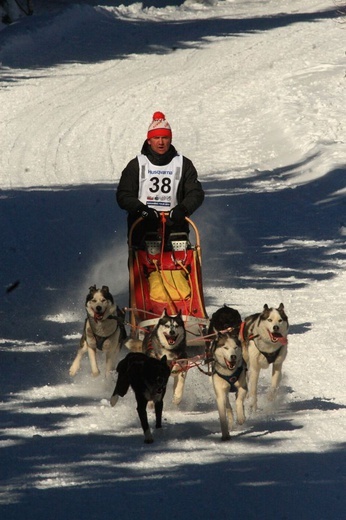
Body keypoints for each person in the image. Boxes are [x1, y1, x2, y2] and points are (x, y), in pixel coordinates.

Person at [116, 111, 204, 247]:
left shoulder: (183, 164)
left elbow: (195, 192)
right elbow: (124, 195)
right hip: (143, 226)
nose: (161, 142)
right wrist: (141, 210)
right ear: (149, 140)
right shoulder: (137, 165)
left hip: (176, 225)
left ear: (171, 139)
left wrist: (183, 209)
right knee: (145, 265)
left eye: (165, 138)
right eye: (156, 138)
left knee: (181, 265)